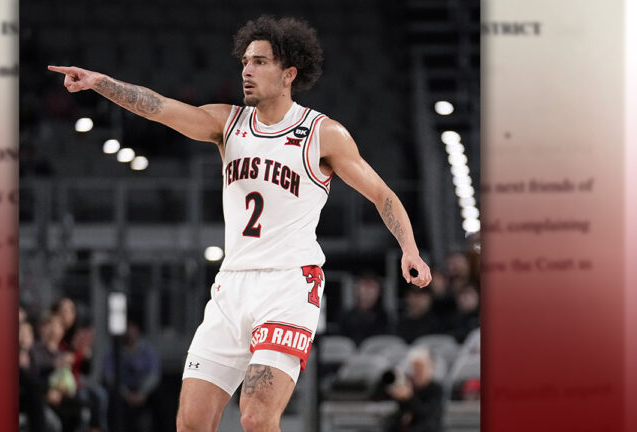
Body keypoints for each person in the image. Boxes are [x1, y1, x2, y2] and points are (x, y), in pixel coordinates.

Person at [49, 15, 432, 432]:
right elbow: (160, 108)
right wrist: (101, 83)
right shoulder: (227, 123)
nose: (247, 70)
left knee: (256, 416)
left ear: (288, 74)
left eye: (260, 62)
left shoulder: (322, 134)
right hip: (231, 285)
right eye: (245, 61)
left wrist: (409, 249)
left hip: (288, 283)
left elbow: (382, 194)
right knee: (191, 423)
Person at [384, 347, 443, 432]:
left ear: (431, 368)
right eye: (415, 368)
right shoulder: (409, 386)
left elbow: (428, 419)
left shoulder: (436, 390)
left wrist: (409, 398)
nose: (417, 372)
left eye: (421, 368)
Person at [339, 273, 390, 346]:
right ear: (356, 289)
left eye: (372, 287)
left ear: (379, 291)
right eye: (364, 286)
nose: (367, 291)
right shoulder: (346, 316)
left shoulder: (384, 318)